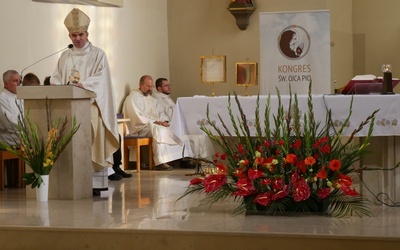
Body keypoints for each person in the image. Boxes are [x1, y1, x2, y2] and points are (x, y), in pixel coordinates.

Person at [50, 8, 131, 195]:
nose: (77, 38)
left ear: (87, 34)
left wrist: (83, 85)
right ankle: (74, 183)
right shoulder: (65, 56)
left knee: (93, 139)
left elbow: (102, 79)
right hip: (70, 107)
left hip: (91, 106)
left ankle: (94, 184)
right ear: (69, 36)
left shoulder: (98, 54)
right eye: (73, 35)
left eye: (80, 34)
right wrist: (57, 84)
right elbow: (55, 77)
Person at [123, 75, 183, 171]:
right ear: (140, 84)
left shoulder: (152, 99)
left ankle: (172, 158)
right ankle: (160, 162)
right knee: (159, 130)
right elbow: (136, 116)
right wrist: (155, 122)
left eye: (151, 87)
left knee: (170, 128)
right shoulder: (132, 98)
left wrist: (164, 121)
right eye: (148, 86)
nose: (150, 89)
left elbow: (161, 112)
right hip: (141, 128)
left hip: (153, 125)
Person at [0, 70, 22, 146]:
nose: (18, 83)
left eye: (19, 80)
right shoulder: (2, 98)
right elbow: (10, 123)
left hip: (22, 134)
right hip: (9, 138)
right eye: (15, 81)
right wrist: (28, 129)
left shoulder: (21, 97)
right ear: (6, 84)